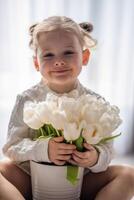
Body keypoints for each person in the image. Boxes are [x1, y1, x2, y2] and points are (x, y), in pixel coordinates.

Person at [0, 16, 134, 200]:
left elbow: (108, 150)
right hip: (32, 181)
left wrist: (95, 157)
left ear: (85, 57)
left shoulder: (94, 102)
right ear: (36, 63)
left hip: (79, 183)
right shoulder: (28, 99)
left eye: (68, 53)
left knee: (129, 175)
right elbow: (11, 147)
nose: (59, 61)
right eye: (48, 55)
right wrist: (44, 149)